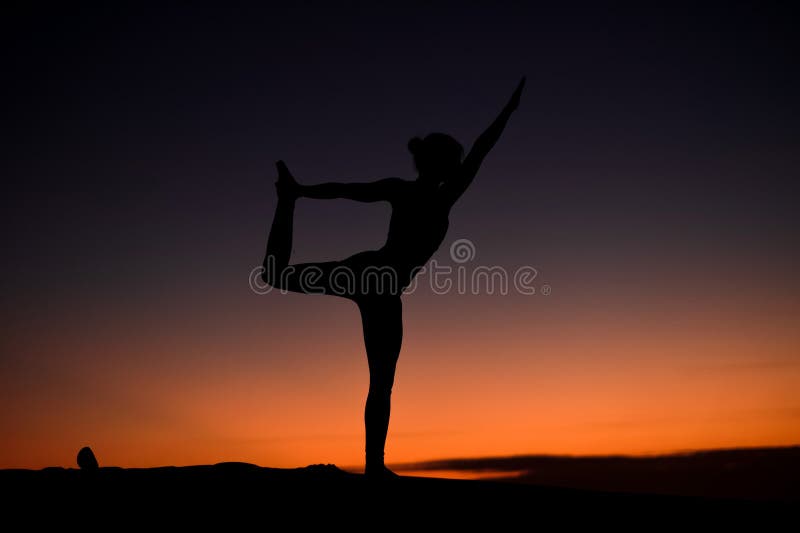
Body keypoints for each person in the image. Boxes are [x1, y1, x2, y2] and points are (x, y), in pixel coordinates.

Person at [261, 77, 525, 479]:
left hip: (371, 276)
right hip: (380, 284)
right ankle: (374, 469)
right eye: (452, 162)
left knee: (276, 276)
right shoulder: (436, 197)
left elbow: (348, 189)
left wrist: (301, 193)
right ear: (443, 165)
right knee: (382, 382)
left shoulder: (409, 191)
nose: (458, 168)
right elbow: (479, 151)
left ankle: (375, 468)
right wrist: (507, 112)